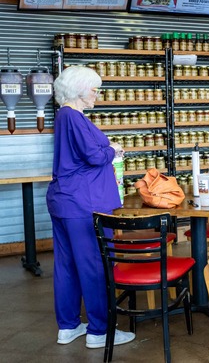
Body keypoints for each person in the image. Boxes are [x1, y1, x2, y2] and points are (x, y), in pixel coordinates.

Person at [46, 66, 136, 348]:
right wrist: (114, 148)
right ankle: (99, 331)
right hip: (83, 203)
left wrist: (104, 148)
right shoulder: (74, 116)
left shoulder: (63, 116)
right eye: (95, 89)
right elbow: (93, 157)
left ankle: (69, 326)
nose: (97, 94)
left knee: (67, 266)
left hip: (64, 200)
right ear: (79, 89)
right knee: (95, 265)